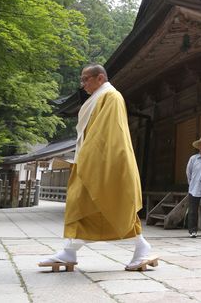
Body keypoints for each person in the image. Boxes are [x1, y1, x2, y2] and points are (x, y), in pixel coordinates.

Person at [39, 64, 157, 272]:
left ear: (100, 78)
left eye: (86, 79)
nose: (82, 84)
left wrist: (86, 158)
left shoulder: (111, 96)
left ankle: (141, 247)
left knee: (112, 204)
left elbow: (107, 132)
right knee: (83, 206)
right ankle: (70, 250)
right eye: (82, 79)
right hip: (91, 159)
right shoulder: (99, 97)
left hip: (103, 161)